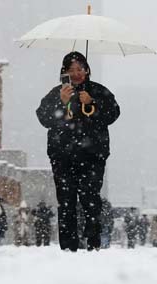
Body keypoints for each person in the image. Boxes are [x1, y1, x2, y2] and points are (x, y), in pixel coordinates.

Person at [36, 51, 120, 251]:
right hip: (62, 157)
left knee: (91, 200)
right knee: (66, 203)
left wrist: (91, 103)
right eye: (71, 70)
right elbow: (44, 118)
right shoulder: (57, 93)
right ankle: (68, 246)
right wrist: (61, 103)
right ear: (64, 72)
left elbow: (113, 113)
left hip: (92, 157)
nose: (76, 73)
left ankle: (93, 243)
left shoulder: (98, 91)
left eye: (80, 69)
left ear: (87, 70)